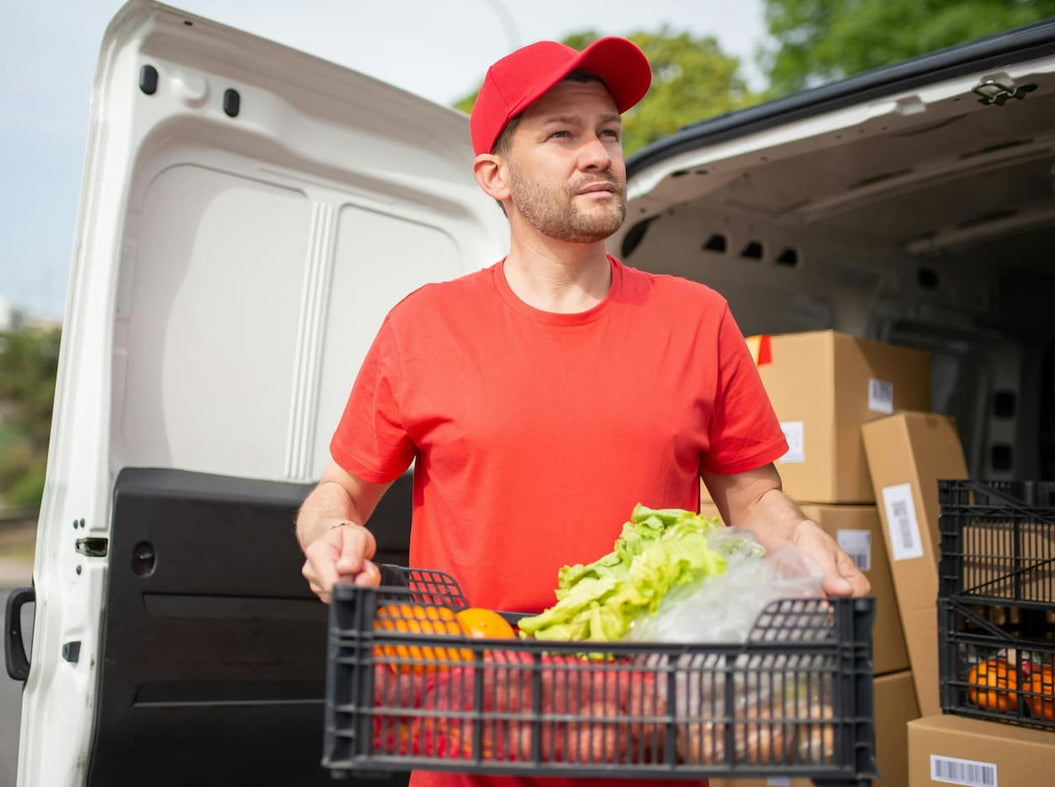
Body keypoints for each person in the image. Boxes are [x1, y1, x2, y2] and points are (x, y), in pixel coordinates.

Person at [296, 36, 870, 787]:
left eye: (608, 131)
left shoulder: (698, 318)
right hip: (470, 750)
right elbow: (339, 491)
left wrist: (804, 542)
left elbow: (753, 496)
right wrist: (331, 535)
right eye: (561, 134)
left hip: (652, 749)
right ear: (494, 176)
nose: (598, 153)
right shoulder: (424, 326)